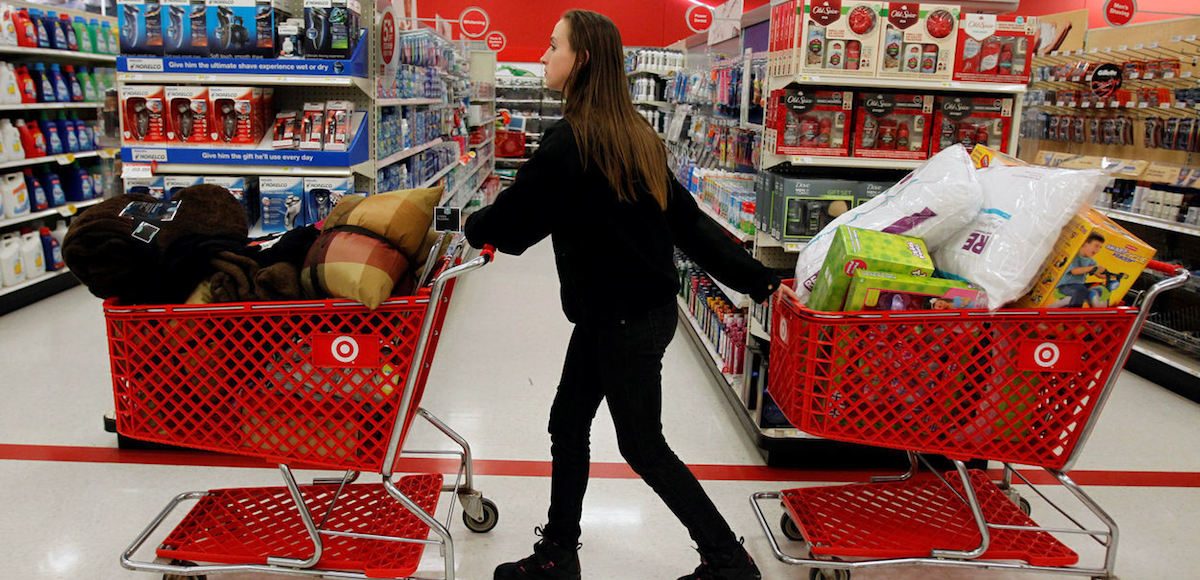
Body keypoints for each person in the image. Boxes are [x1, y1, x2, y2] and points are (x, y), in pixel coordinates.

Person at [463, 9, 796, 580]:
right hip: (622, 314)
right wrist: (757, 278)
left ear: (581, 59)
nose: (544, 56)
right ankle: (558, 554)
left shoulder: (570, 142)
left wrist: (469, 225)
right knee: (567, 425)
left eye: (552, 46)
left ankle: (726, 560)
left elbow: (515, 226)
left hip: (622, 319)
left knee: (642, 445)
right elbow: (689, 224)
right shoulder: (634, 132)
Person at [1051, 233, 1106, 308]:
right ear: (1085, 243)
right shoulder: (1073, 256)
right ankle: (1072, 313)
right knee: (1081, 290)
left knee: (1100, 288)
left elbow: (1096, 273)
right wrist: (1092, 268)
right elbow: (1074, 271)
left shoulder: (1091, 261)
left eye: (1100, 247)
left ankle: (1098, 314)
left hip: (1080, 285)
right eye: (1096, 246)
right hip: (1065, 285)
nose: (1098, 250)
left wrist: (1105, 275)